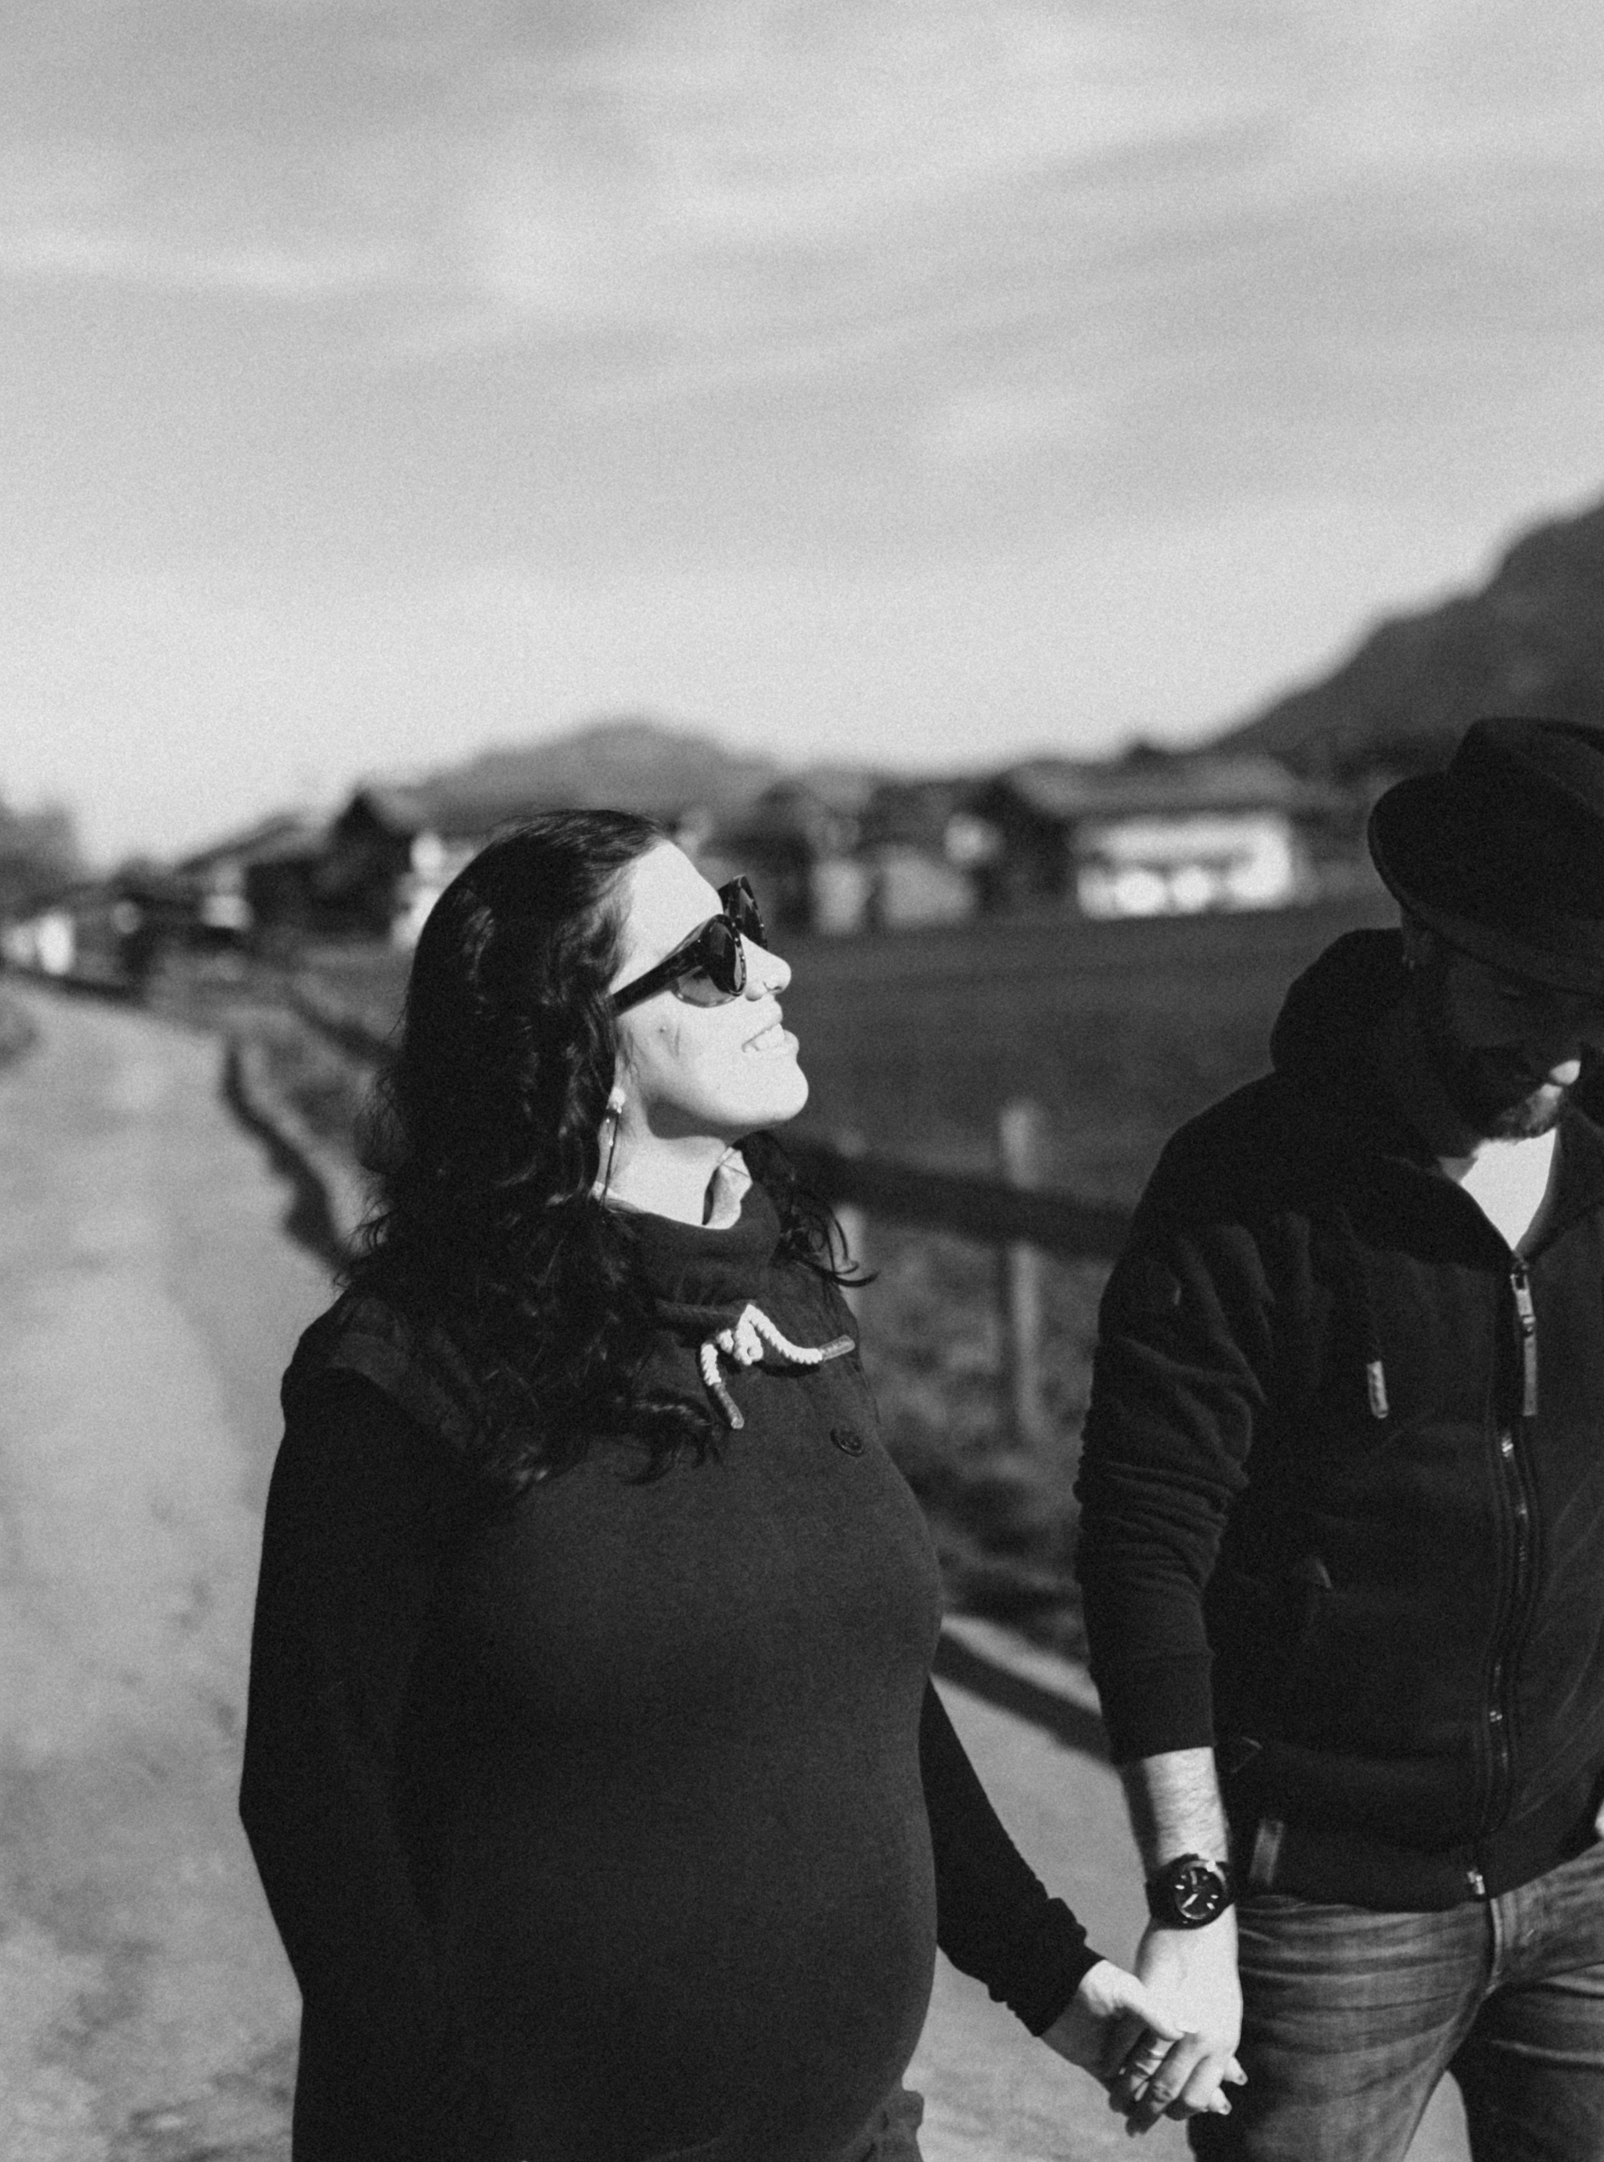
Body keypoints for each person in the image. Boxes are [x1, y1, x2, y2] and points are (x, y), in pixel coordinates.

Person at [241, 810, 1220, 2162]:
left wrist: (1054, 1976)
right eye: (710, 957)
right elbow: (315, 1804)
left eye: (743, 922)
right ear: (575, 1049)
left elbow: (861, 1690)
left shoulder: (789, 1298)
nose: (772, 970)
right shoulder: (411, 1371)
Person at [1076, 718, 1604, 2159]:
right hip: (1326, 1909)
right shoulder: (1247, 1189)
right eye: (1526, 990)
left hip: (1602, 1873)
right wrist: (1193, 1904)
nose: (1564, 1046)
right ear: (1423, 938)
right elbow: (1143, 1553)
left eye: (1602, 1002)